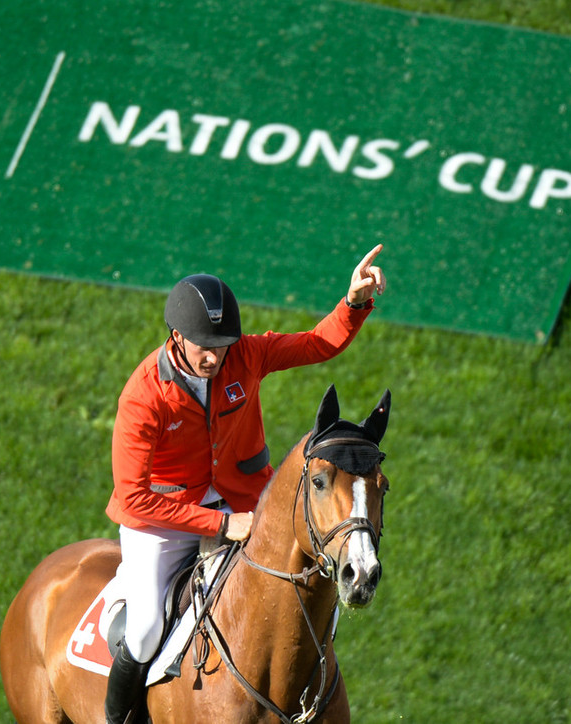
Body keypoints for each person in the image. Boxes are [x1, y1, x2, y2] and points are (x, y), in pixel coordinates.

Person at [104, 244, 386, 724]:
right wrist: (219, 522)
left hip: (241, 502)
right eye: (204, 347)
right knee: (148, 628)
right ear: (176, 338)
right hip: (161, 517)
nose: (215, 356)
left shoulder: (247, 355)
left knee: (311, 588)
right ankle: (119, 719)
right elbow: (132, 496)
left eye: (223, 346)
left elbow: (319, 344)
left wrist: (353, 304)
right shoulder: (144, 396)